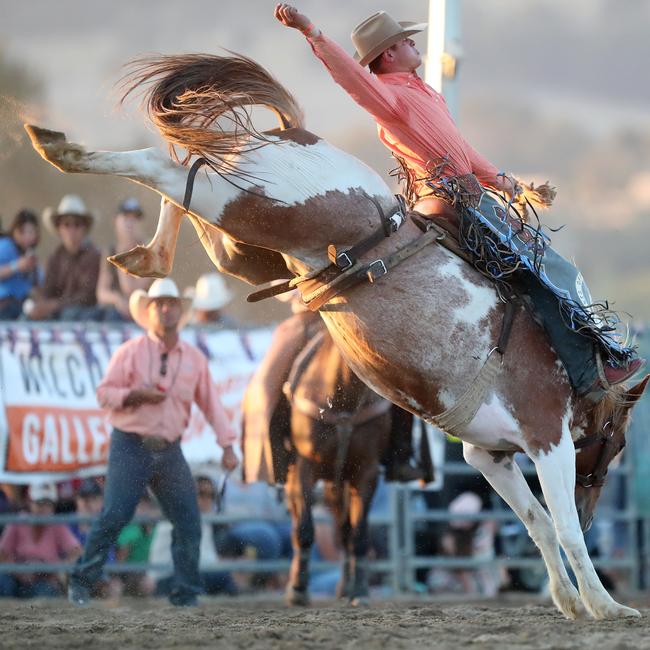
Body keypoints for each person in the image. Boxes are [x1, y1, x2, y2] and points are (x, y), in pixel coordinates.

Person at [274, 5, 644, 395]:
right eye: (404, 40)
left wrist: (505, 183)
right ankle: (589, 373)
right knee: (545, 269)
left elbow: (461, 149)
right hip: (457, 202)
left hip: (467, 196)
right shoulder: (390, 98)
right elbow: (352, 80)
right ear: (389, 55)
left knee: (538, 270)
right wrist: (311, 31)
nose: (414, 42)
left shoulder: (422, 93)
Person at [67, 277, 239, 607]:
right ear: (150, 310)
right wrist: (132, 395)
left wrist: (227, 445)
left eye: (171, 303)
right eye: (159, 304)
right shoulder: (129, 352)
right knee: (115, 514)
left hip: (169, 447)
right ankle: (82, 582)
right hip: (131, 443)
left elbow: (212, 404)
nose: (165, 309)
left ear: (179, 310)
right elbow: (104, 393)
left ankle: (186, 592)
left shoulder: (194, 359)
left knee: (188, 520)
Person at [149, 469, 239, 596]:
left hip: (188, 575)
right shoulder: (179, 518)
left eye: (211, 495)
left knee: (224, 578)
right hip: (168, 579)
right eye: (201, 494)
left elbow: (206, 559)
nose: (207, 500)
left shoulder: (202, 519)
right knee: (221, 578)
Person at [27, 194, 101, 321]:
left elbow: (87, 296)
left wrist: (53, 305)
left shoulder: (93, 255)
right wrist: (39, 301)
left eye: (77, 224)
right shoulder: (55, 257)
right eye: (66, 225)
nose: (71, 230)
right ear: (59, 228)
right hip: (58, 311)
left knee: (69, 315)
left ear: (84, 228)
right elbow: (48, 289)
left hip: (83, 314)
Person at [0, 482, 81, 598]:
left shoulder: (57, 524)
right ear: (30, 503)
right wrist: (17, 571)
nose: (44, 508)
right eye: (39, 504)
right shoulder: (18, 521)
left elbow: (76, 552)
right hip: (16, 578)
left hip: (45, 580)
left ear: (53, 506)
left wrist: (55, 569)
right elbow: (2, 553)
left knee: (44, 592)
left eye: (48, 504)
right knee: (3, 582)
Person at [96, 198, 152, 321]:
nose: (130, 223)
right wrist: (117, 299)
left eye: (135, 218)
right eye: (126, 217)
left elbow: (131, 290)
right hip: (118, 312)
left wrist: (125, 251)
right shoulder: (110, 252)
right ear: (116, 221)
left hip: (143, 312)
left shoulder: (149, 253)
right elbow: (101, 293)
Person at [0, 210, 41, 320]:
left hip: (21, 305)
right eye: (22, 231)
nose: (27, 237)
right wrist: (16, 266)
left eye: (31, 232)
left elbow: (38, 283)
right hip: (4, 305)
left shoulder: (30, 254)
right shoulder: (5, 245)